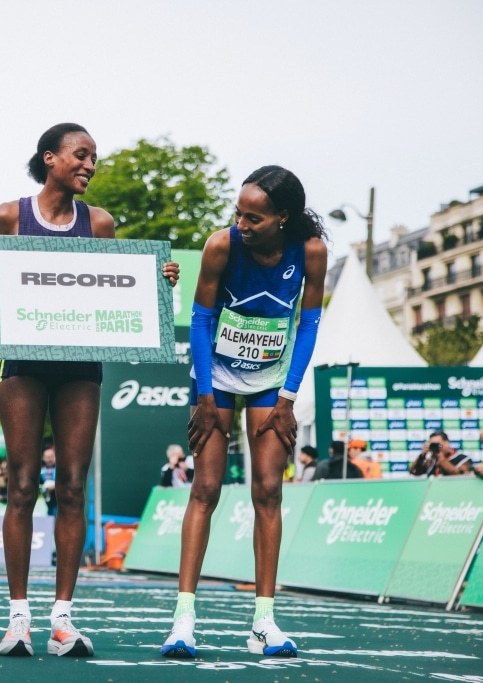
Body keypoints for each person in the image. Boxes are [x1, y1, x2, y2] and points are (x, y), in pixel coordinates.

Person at [0, 123, 180, 659]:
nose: (90, 165)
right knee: (21, 484)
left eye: (94, 159)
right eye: (80, 156)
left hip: (80, 366)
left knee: (71, 485)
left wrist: (160, 279)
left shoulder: (100, 222)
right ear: (50, 159)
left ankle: (61, 619)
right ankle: (18, 619)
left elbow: (117, 287)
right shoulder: (7, 216)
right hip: (21, 362)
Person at [161, 165, 326, 660]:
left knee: (269, 491)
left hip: (271, 379)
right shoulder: (221, 245)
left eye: (254, 217)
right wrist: (206, 398)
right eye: (239, 213)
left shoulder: (310, 251)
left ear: (283, 218)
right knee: (206, 487)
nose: (241, 223)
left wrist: (288, 398)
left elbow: (310, 323)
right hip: (216, 376)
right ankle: (183, 621)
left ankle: (263, 622)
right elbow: (200, 319)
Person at [39, 446, 57, 516]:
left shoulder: (60, 470)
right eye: (47, 457)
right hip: (46, 502)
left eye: (51, 457)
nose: (49, 459)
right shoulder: (41, 471)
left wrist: (55, 487)